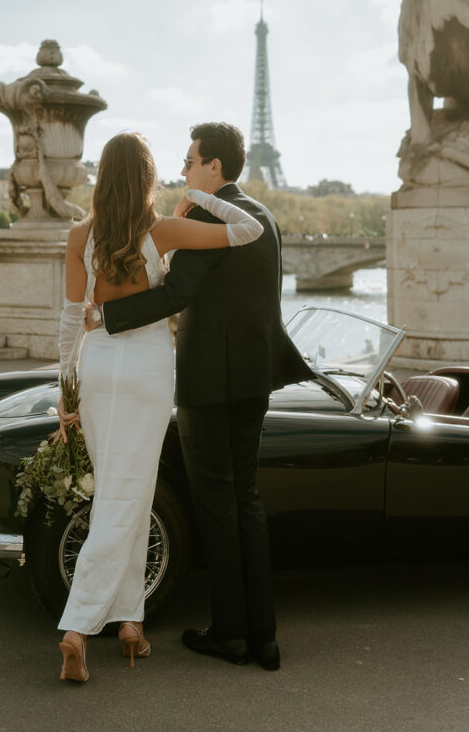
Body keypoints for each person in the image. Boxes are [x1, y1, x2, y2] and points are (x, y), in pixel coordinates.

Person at [95, 122, 312, 669]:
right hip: (255, 375)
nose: (184, 171)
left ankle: (230, 633)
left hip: (208, 381)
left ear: (214, 167)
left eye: (191, 162)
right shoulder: (263, 217)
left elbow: (176, 294)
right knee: (247, 500)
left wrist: (107, 317)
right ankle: (264, 636)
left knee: (216, 505)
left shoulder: (207, 216)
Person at [55, 131, 264, 683]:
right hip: (148, 367)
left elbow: (70, 321)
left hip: (98, 367)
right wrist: (198, 201)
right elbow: (249, 228)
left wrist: (64, 388)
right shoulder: (162, 230)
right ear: (148, 177)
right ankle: (79, 626)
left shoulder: (80, 235)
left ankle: (129, 622)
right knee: (132, 491)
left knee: (119, 491)